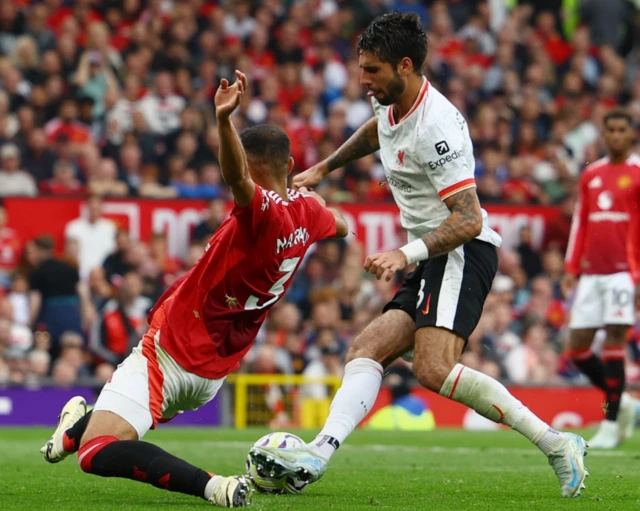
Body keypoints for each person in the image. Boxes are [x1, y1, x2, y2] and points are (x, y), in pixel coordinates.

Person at [250, 13, 588, 498]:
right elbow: (377, 131)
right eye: (361, 68)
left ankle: (558, 444)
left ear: (405, 66)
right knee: (366, 348)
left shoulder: (438, 126)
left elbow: (469, 219)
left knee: (432, 367)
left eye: (372, 71)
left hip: (461, 251)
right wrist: (324, 166)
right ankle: (317, 454)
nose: (363, 81)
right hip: (432, 254)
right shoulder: (390, 104)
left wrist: (403, 253)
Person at [40, 71, 348, 508]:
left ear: (247, 163)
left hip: (171, 352)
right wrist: (314, 201)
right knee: (122, 423)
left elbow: (237, 179)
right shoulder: (308, 216)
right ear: (292, 166)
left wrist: (223, 121)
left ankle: (212, 486)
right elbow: (344, 223)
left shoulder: (262, 211)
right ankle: (73, 429)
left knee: (97, 453)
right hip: (212, 374)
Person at [562, 108, 640, 449]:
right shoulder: (590, 175)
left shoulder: (638, 173)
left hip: (624, 273)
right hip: (592, 273)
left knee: (613, 343)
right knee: (577, 348)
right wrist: (571, 268)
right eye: (610, 130)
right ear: (603, 135)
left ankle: (610, 423)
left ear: (631, 135)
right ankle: (624, 405)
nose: (616, 136)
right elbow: (581, 222)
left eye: (622, 130)